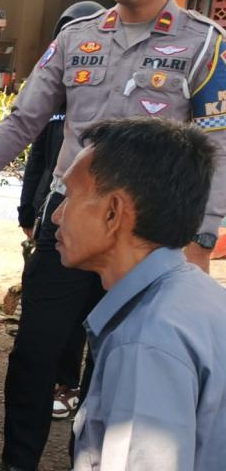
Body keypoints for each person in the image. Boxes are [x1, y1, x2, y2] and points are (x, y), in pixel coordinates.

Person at [0, 0, 226, 468]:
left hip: (144, 238)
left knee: (119, 363)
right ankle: (17, 462)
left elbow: (216, 148)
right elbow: (23, 120)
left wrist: (201, 239)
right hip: (68, 223)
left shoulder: (204, 44)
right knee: (32, 355)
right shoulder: (77, 37)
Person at [51, 117, 226, 470]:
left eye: (68, 196)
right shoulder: (197, 294)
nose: (56, 216)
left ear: (114, 212)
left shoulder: (145, 342)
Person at [15, 1, 104, 421]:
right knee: (45, 312)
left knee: (86, 319)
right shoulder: (50, 97)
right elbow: (35, 157)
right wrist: (27, 210)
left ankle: (70, 385)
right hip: (51, 214)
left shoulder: (99, 101)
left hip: (99, 226)